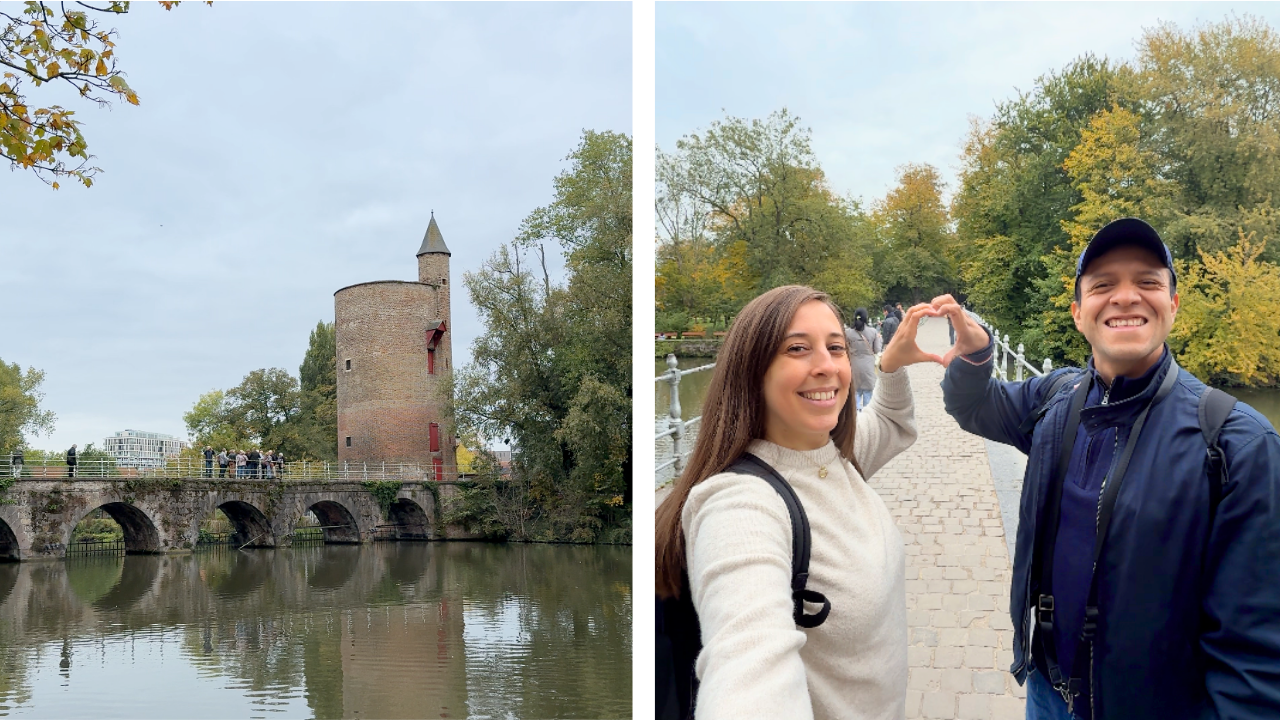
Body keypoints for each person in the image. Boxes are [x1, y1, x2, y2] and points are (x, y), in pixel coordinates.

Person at [933, 217, 1280, 720]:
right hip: (1046, 692)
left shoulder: (1234, 443)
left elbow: (1255, 660)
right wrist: (978, 352)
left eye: (1147, 282)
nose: (1124, 297)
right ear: (1078, 313)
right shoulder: (1057, 398)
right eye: (1102, 285)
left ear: (1173, 305)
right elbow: (975, 408)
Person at [655, 285, 944, 720]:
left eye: (835, 347)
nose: (826, 366)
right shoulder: (740, 504)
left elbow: (890, 420)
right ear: (753, 370)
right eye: (797, 349)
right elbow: (749, 668)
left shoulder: (831, 454)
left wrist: (892, 364)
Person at [845, 307, 882, 410]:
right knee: (868, 395)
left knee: (855, 393)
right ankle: (867, 419)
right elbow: (877, 349)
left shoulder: (847, 333)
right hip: (868, 367)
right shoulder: (873, 332)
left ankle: (856, 419)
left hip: (853, 366)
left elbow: (844, 350)